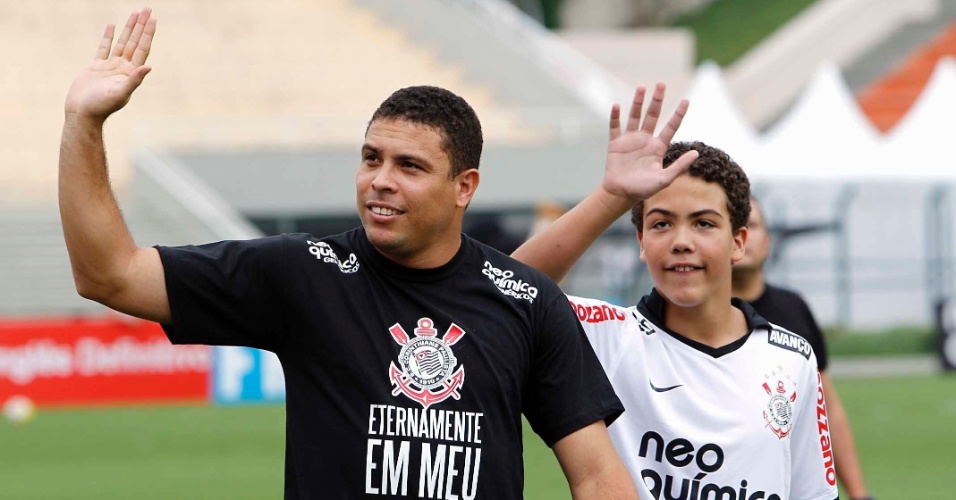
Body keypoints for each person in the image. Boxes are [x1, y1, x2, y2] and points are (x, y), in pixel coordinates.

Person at [58, 8, 637, 499]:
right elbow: (110, 275)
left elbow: (597, 476)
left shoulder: (528, 300)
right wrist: (83, 122)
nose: (380, 180)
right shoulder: (302, 272)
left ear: (465, 187)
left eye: (409, 166)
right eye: (371, 158)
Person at [512, 85, 839, 499]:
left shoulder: (791, 357)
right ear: (641, 241)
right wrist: (612, 197)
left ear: (738, 241)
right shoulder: (604, 336)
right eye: (662, 224)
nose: (681, 241)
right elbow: (505, 289)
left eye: (703, 223)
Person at [733, 198, 873, 500]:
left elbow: (827, 409)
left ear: (768, 242)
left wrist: (860, 494)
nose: (741, 232)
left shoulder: (794, 308)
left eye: (752, 225)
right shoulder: (689, 314)